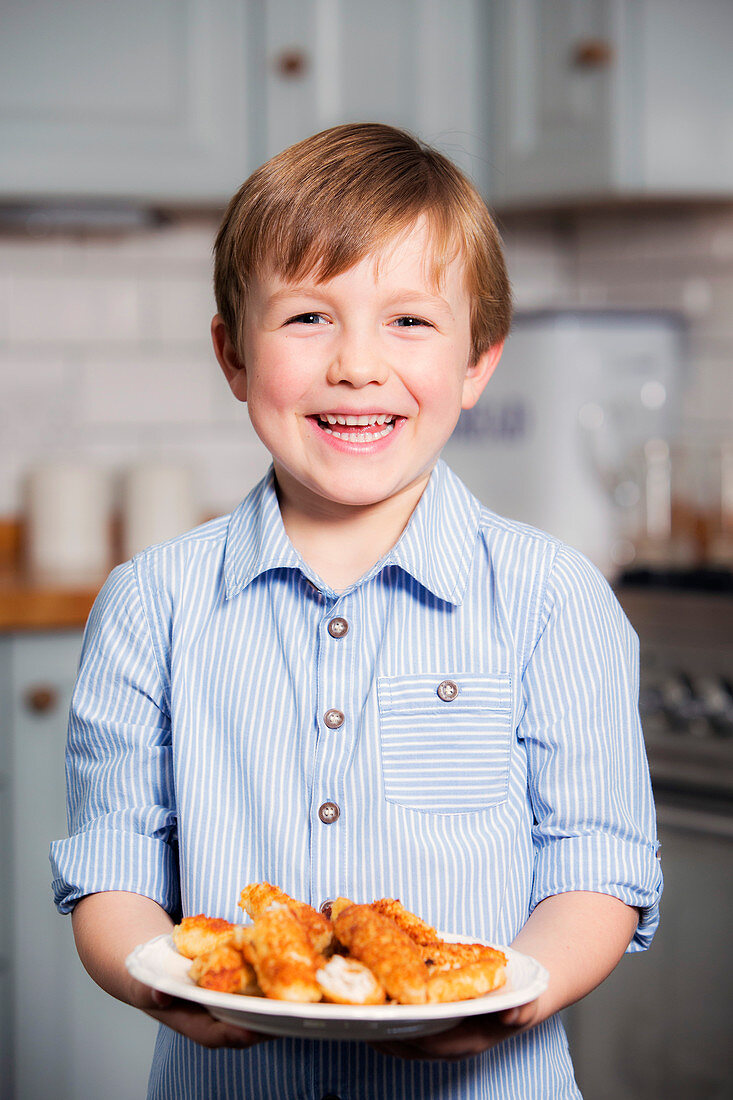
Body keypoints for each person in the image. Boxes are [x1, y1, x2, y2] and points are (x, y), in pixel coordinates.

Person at [50, 123, 662, 1100]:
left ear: (477, 363)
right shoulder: (149, 603)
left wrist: (512, 996)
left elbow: (599, 861)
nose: (356, 364)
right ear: (233, 354)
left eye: (409, 322)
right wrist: (162, 977)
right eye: (306, 318)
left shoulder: (554, 597)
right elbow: (110, 871)